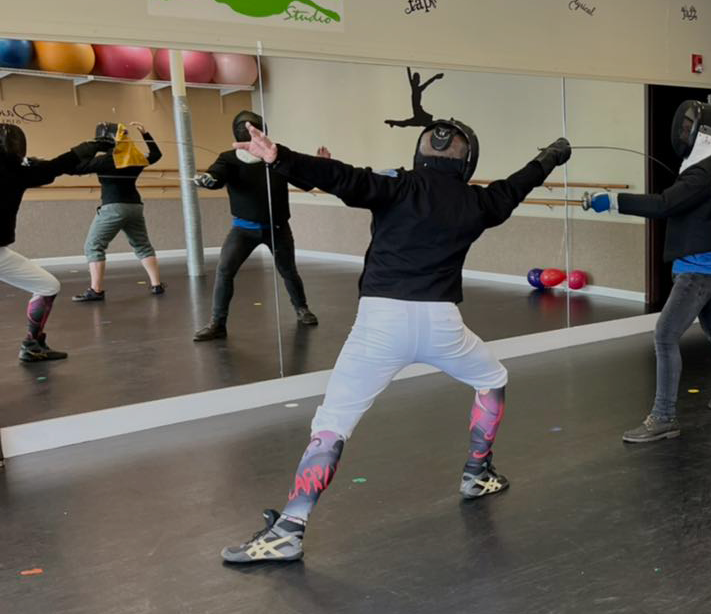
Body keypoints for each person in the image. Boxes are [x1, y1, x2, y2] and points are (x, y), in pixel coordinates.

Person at [217, 117, 571, 563]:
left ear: (420, 154)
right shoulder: (479, 202)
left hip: (380, 325)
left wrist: (279, 156)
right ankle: (477, 472)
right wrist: (550, 157)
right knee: (492, 376)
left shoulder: (394, 186)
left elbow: (341, 176)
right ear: (467, 163)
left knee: (334, 423)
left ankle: (289, 528)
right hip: (443, 325)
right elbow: (517, 185)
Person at [583, 100, 711, 442]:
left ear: (702, 132)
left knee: (664, 335)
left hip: (697, 272)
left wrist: (614, 201)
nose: (682, 132)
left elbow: (664, 205)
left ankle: (663, 417)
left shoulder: (704, 172)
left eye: (687, 127)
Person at [192, 110, 319, 341]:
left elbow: (304, 181)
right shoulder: (228, 158)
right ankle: (217, 323)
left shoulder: (276, 155)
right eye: (245, 128)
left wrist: (322, 167)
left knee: (288, 270)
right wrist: (208, 180)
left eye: (253, 127)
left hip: (277, 229)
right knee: (224, 271)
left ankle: (302, 309)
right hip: (243, 230)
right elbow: (216, 176)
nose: (248, 130)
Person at [0, 123, 108, 362]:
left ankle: (32, 344)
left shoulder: (15, 171)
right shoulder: (14, 172)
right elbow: (53, 169)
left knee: (47, 285)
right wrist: (89, 148)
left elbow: (44, 173)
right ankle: (31, 344)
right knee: (48, 286)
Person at [71, 122, 166, 301]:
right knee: (142, 246)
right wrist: (146, 134)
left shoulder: (105, 160)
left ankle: (96, 290)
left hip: (113, 208)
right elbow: (156, 154)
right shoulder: (135, 158)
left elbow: (77, 168)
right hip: (135, 207)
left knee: (93, 246)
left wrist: (91, 148)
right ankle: (156, 285)